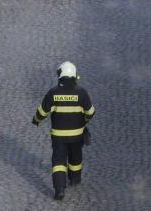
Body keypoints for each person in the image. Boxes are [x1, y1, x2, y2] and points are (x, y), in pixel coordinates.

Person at [33, 61, 95, 200]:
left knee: (59, 161)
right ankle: (74, 179)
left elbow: (42, 111)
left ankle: (59, 189)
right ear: (75, 76)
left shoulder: (53, 93)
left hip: (58, 136)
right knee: (75, 158)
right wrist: (84, 120)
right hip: (77, 135)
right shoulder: (82, 93)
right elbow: (91, 112)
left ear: (60, 75)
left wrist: (36, 120)